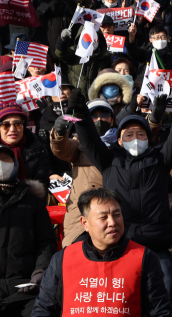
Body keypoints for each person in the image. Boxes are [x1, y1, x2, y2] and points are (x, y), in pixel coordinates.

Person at [67, 82, 172, 301]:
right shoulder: (108, 160)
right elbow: (90, 139)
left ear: (149, 139)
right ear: (119, 140)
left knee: (165, 289)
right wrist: (82, 114)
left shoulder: (160, 160)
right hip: (119, 245)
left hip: (155, 246)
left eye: (140, 134)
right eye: (129, 135)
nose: (135, 138)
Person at [31, 188, 172, 317]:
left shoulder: (143, 257)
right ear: (85, 223)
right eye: (103, 217)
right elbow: (43, 309)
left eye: (117, 215)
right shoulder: (63, 259)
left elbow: (160, 311)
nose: (112, 222)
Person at [0, 144, 56, 317]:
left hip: (23, 288)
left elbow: (46, 242)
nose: (1, 164)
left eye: (6, 159)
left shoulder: (32, 201)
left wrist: (40, 272)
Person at [50, 99, 117, 247]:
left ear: (112, 119)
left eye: (104, 114)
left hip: (114, 217)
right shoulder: (78, 144)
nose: (99, 119)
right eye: (93, 116)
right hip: (82, 220)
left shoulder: (122, 142)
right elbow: (62, 149)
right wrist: (60, 133)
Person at [0, 102, 52, 188]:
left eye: (17, 124)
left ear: (23, 126)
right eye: (6, 125)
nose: (12, 129)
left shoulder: (38, 149)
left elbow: (43, 184)